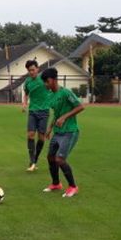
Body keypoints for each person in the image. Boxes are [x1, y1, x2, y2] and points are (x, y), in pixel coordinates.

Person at [40, 67, 84, 198]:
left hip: (70, 131)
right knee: (50, 157)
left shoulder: (66, 93)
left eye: (47, 81)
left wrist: (65, 117)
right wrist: (50, 127)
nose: (45, 84)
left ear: (53, 80)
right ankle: (56, 184)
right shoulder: (51, 96)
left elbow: (80, 107)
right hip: (58, 132)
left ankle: (73, 187)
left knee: (60, 159)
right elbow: (57, 114)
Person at [22, 60, 51, 172]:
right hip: (33, 111)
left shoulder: (44, 80)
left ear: (38, 69)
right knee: (30, 135)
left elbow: (52, 89)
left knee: (41, 137)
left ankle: (35, 159)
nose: (31, 72)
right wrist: (24, 104)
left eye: (33, 70)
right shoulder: (28, 82)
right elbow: (26, 94)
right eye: (29, 70)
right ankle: (32, 160)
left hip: (44, 111)